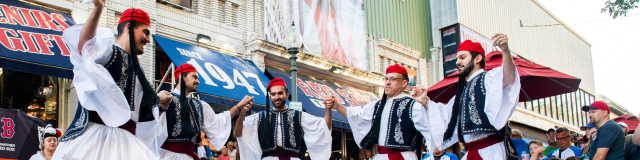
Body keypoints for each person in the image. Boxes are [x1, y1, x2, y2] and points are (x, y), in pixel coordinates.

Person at [53, 1, 172, 159]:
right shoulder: (109, 51)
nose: (149, 39)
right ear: (129, 28)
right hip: (98, 138)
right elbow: (85, 48)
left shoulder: (140, 70)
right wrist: (98, 9)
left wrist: (158, 103)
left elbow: (139, 113)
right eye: (146, 32)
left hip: (126, 141)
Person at [417, 34, 521, 160]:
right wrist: (425, 102)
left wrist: (505, 50)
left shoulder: (488, 79)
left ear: (477, 58)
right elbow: (447, 116)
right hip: (472, 153)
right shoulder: (463, 92)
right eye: (457, 58)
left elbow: (509, 77)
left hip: (491, 152)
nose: (457, 62)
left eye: (462, 57)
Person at [330, 64, 430, 160]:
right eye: (386, 79)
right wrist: (337, 106)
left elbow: (432, 125)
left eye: (393, 79)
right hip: (381, 156)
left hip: (403, 157)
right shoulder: (376, 106)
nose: (388, 82)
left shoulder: (413, 105)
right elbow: (357, 115)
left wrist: (425, 103)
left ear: (404, 83)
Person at [159, 64, 253, 160]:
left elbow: (218, 122)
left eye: (198, 78)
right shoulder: (166, 99)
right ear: (182, 77)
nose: (198, 81)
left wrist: (238, 106)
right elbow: (151, 127)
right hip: (168, 156)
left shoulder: (199, 105)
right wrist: (157, 102)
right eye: (194, 77)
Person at [235, 77, 332, 160]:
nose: (276, 97)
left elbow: (324, 128)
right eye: (273, 94)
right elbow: (237, 134)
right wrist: (242, 112)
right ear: (270, 97)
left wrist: (328, 108)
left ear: (287, 95)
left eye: (280, 93)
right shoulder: (260, 116)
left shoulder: (299, 115)